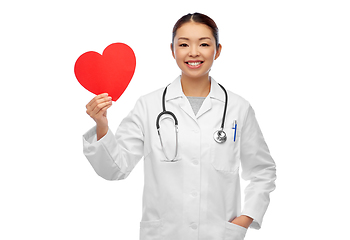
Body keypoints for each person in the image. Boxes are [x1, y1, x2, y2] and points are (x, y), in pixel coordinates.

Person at [83, 12, 276, 240]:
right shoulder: (149, 106)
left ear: (218, 50)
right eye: (184, 44)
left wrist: (247, 217)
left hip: (219, 234)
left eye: (204, 44)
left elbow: (263, 170)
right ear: (172, 50)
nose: (193, 52)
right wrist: (102, 125)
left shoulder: (238, 108)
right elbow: (116, 169)